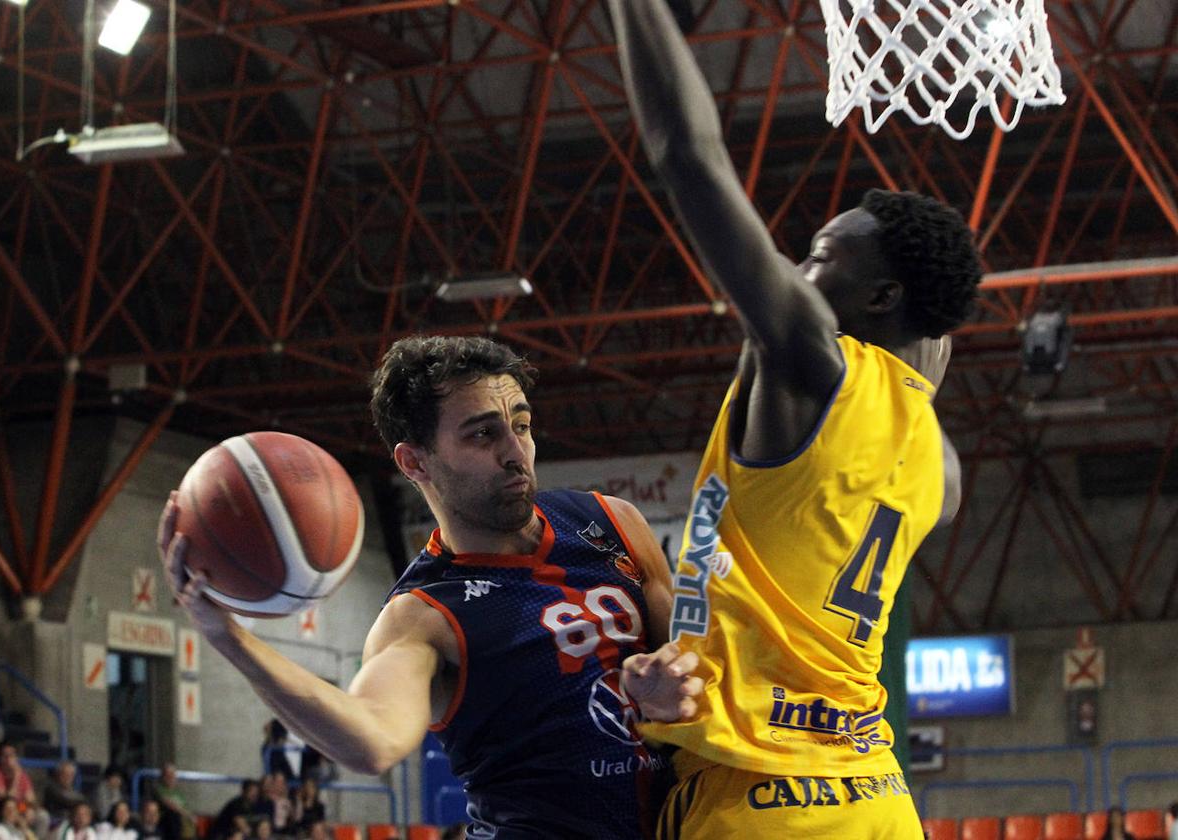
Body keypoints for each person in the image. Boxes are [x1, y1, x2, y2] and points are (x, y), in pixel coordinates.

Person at [609, 2, 983, 837]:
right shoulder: (940, 469)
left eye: (819, 254)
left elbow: (688, 157)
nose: (797, 269)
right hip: (875, 797)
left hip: (760, 799)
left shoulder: (812, 370)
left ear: (881, 299)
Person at [159, 335, 702, 839]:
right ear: (414, 461)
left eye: (523, 424)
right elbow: (372, 739)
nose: (516, 451)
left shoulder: (612, 523)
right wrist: (229, 639)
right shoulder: (421, 614)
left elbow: (704, 663)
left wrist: (676, 686)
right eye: (484, 434)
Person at [0, 744, 47, 839]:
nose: (8, 759)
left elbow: (31, 800)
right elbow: (6, 799)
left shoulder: (23, 776)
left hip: (16, 808)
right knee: (9, 809)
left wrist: (28, 809)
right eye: (5, 756)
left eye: (11, 756)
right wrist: (16, 777)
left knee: (42, 816)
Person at [149, 766, 193, 840]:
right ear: (163, 777)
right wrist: (186, 814)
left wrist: (191, 816)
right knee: (173, 815)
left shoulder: (179, 792)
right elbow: (170, 805)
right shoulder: (159, 789)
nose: (171, 777)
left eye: (172, 774)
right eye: (168, 775)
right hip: (167, 822)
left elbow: (186, 807)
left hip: (183, 823)